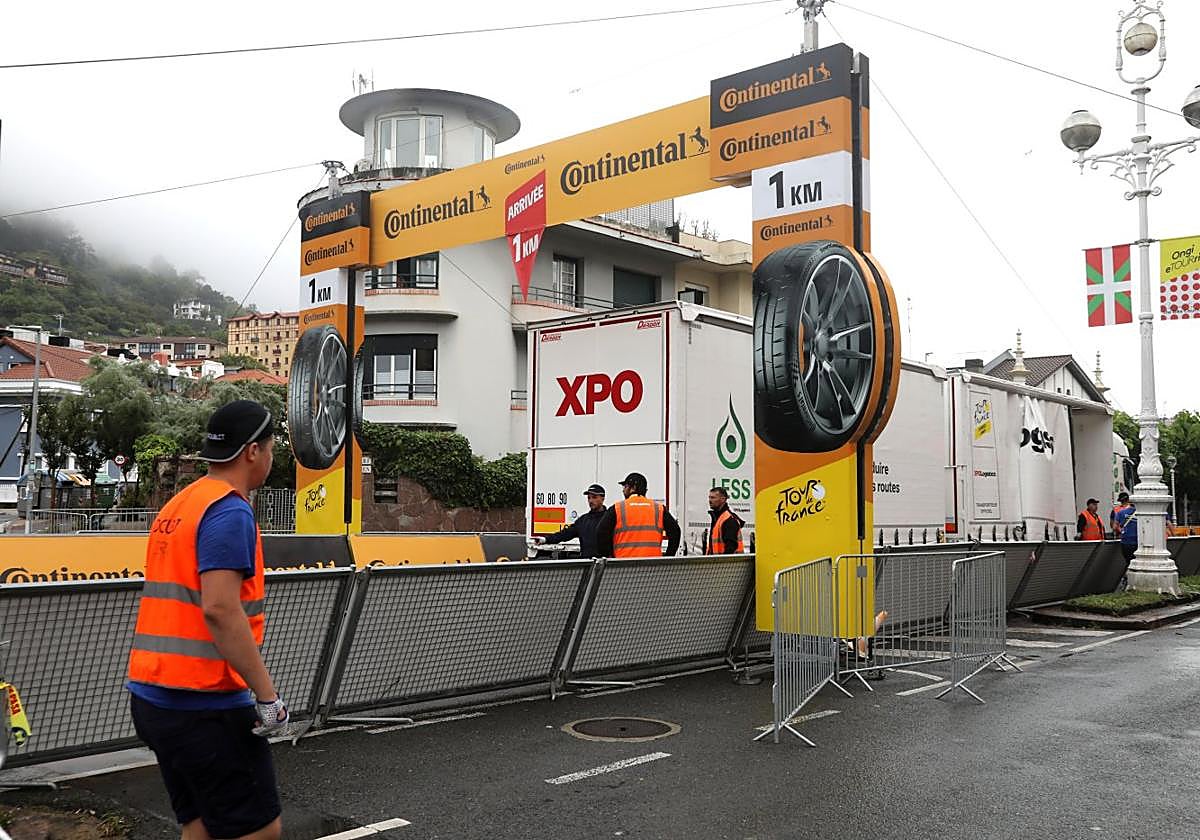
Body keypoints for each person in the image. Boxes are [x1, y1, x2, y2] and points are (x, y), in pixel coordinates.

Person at [127, 400, 287, 840]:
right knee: (260, 828)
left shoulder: (182, 503)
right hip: (204, 703)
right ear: (253, 452)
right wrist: (267, 697)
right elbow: (220, 608)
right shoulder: (230, 510)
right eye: (271, 448)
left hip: (153, 697)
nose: (272, 458)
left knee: (200, 823)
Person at [594, 472, 681, 558]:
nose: (623, 490)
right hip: (653, 566)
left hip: (623, 566)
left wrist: (608, 556)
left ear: (633, 488)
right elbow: (675, 532)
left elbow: (601, 533)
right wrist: (668, 556)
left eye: (625, 487)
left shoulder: (618, 508)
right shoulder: (659, 509)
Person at [533, 484, 607, 559]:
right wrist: (545, 539)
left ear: (603, 498)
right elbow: (565, 534)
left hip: (606, 565)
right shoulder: (583, 520)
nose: (591, 501)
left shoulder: (609, 518)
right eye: (589, 498)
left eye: (594, 497)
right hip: (587, 564)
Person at [705, 487, 745, 555]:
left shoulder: (728, 519)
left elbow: (730, 548)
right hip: (718, 563)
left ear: (723, 499)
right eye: (709, 497)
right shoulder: (718, 518)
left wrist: (723, 563)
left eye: (713, 498)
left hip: (727, 564)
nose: (710, 500)